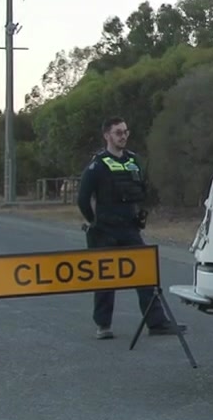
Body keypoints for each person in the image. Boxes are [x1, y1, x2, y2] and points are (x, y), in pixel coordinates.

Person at [78, 116, 185, 340]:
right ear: (107, 135)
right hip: (105, 231)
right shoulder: (97, 165)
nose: (123, 136)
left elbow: (143, 190)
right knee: (105, 279)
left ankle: (157, 323)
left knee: (145, 275)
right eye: (118, 132)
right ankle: (103, 326)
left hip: (129, 229)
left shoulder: (134, 161)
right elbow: (82, 198)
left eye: (126, 132)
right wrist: (93, 221)